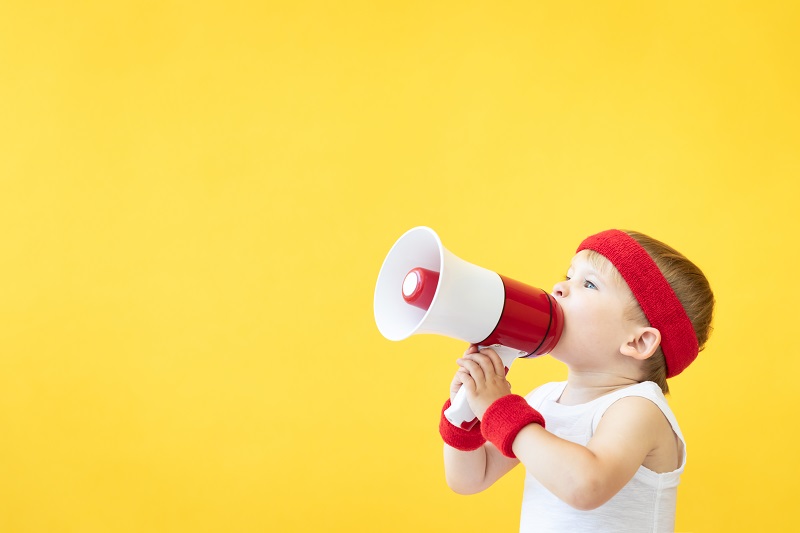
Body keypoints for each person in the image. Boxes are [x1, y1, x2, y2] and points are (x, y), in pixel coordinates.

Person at [439, 229, 715, 532]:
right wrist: (464, 411)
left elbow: (585, 487)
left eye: (589, 283)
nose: (559, 288)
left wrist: (500, 410)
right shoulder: (542, 401)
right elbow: (470, 478)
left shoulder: (640, 409)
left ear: (637, 342)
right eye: (568, 275)